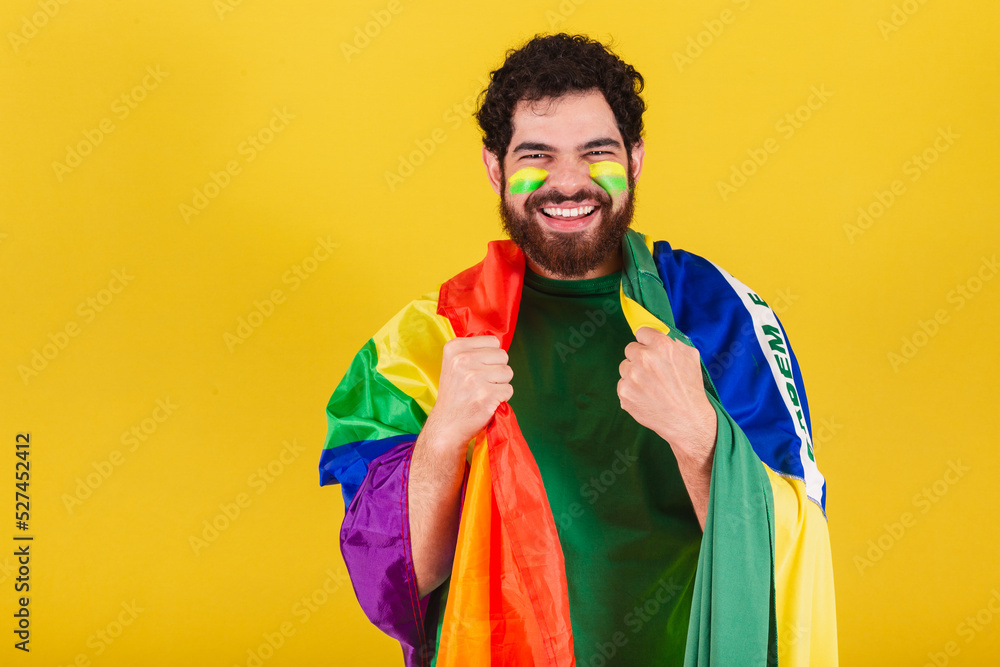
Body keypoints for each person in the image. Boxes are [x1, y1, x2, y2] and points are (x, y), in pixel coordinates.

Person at [319, 33, 837, 666]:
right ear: (494, 167)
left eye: (597, 152)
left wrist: (701, 438)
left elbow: (791, 552)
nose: (569, 183)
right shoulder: (426, 342)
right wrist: (444, 437)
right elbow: (399, 582)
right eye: (537, 154)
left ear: (636, 159)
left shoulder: (722, 316)